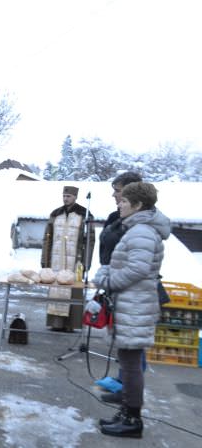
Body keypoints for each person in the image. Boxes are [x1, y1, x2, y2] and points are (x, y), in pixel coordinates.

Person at [93, 182, 170, 438]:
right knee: (128, 362)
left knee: (131, 363)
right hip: (132, 303)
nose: (119, 204)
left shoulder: (142, 232)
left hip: (135, 305)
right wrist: (108, 272)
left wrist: (107, 279)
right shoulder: (139, 229)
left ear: (138, 205)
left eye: (124, 201)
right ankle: (126, 412)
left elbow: (137, 269)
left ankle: (132, 420)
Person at [96, 171, 143, 404]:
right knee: (124, 347)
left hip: (133, 292)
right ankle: (124, 388)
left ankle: (130, 405)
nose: (113, 195)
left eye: (118, 192)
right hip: (117, 285)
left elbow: (136, 264)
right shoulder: (117, 217)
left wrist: (112, 280)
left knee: (132, 349)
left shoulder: (141, 223)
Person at [41, 185, 95, 331]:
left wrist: (86, 262)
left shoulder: (84, 214)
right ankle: (55, 323)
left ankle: (71, 325)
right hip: (55, 259)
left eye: (69, 196)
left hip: (75, 259)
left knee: (73, 290)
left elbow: (90, 241)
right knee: (56, 289)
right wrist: (44, 259)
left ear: (75, 197)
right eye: (64, 196)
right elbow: (47, 238)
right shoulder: (55, 213)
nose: (66, 199)